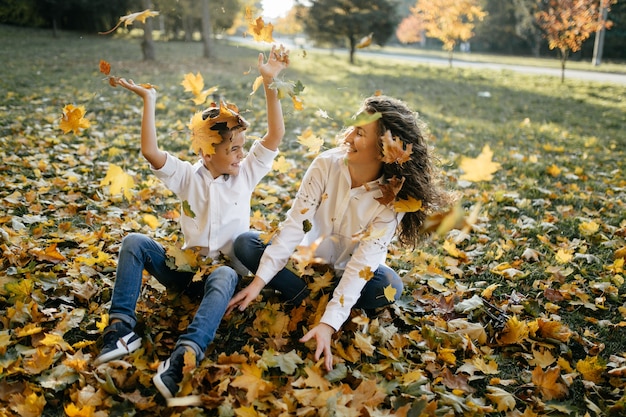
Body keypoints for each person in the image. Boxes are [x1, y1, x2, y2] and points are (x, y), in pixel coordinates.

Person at [94, 45, 290, 400]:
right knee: (134, 242)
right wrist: (148, 100)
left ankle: (186, 353)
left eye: (242, 147)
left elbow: (274, 136)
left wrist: (269, 82)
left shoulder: (244, 174)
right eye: (232, 149)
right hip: (185, 273)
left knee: (227, 274)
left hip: (221, 280)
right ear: (205, 152)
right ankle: (122, 329)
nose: (240, 155)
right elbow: (150, 153)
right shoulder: (187, 176)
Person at [227, 95, 453, 371]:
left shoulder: (393, 199)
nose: (347, 136)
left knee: (389, 285)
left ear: (385, 151)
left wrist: (327, 324)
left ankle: (313, 300)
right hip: (306, 264)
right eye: (352, 127)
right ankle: (312, 296)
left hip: (350, 273)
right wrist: (258, 283)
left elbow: (363, 265)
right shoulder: (326, 165)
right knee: (246, 244)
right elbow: (295, 225)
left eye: (359, 133)